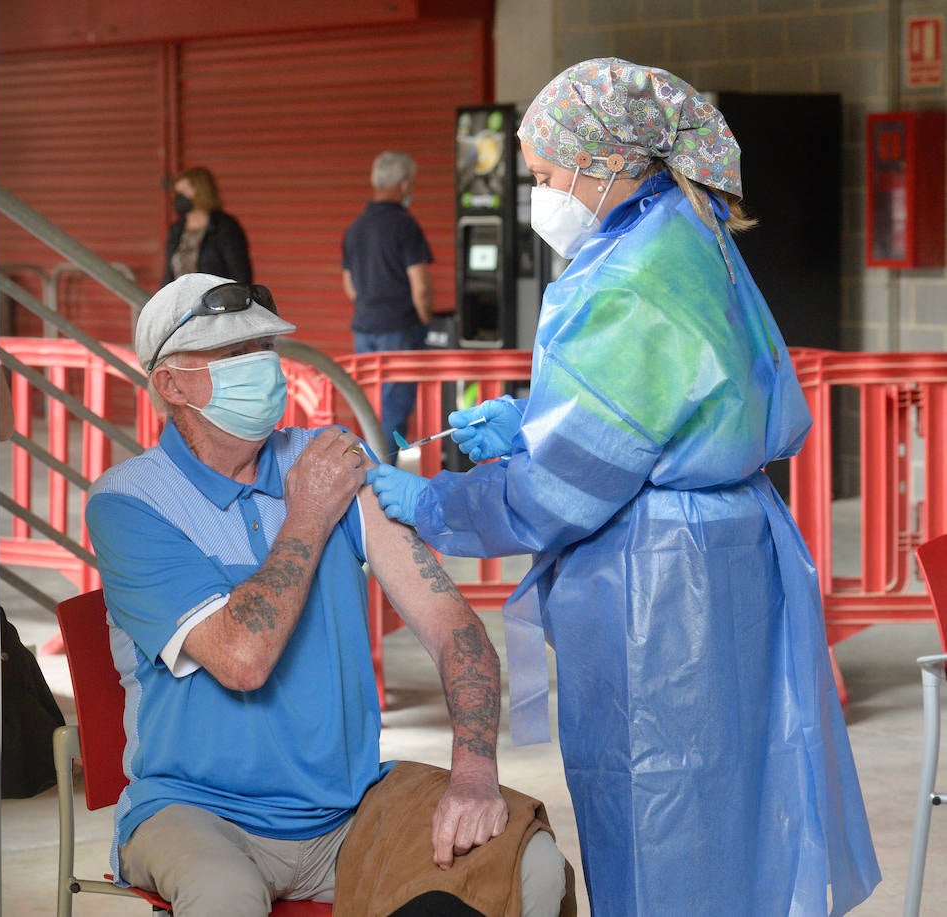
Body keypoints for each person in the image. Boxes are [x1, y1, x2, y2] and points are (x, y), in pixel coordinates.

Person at [365, 59, 881, 916]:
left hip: (662, 590)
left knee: (661, 820)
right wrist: (535, 419)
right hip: (730, 552)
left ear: (601, 160)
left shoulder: (620, 280)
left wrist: (433, 503)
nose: (539, 196)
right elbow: (665, 399)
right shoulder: (686, 233)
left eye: (540, 176)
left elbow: (560, 495)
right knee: (738, 806)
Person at [85, 272, 573, 917]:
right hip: (196, 809)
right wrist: (309, 513)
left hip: (348, 809)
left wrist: (474, 776)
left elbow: (454, 629)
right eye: (232, 356)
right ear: (170, 383)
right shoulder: (130, 502)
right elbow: (241, 659)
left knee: (532, 865)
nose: (259, 369)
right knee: (223, 895)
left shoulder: (328, 456)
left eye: (264, 349)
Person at [342, 150, 434, 450]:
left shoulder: (355, 227)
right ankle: (383, 481)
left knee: (367, 411)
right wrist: (425, 319)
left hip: (363, 329)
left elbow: (350, 287)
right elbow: (420, 285)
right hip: (398, 329)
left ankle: (366, 476)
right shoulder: (405, 226)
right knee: (393, 412)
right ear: (404, 185)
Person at [162, 166, 253, 286]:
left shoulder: (225, 227)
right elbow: (169, 274)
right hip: (182, 302)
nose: (178, 199)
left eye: (182, 193)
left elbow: (241, 275)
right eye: (177, 194)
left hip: (216, 301)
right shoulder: (177, 229)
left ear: (201, 192)